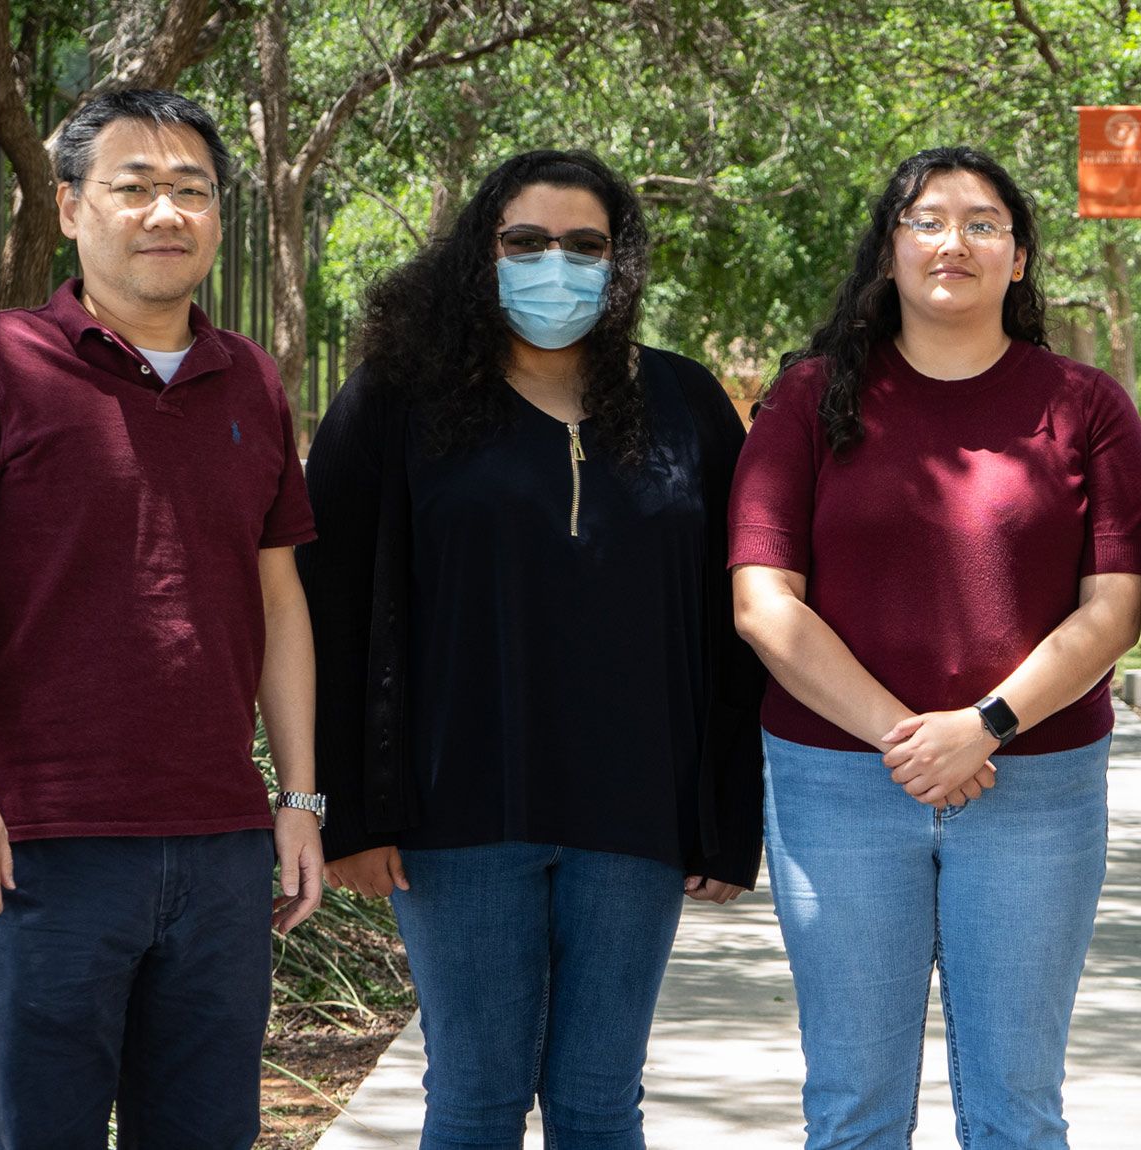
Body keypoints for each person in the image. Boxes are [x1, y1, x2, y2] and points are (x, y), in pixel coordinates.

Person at [297, 148, 765, 1149]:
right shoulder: (395, 400)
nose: (556, 264)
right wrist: (349, 810)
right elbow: (326, 608)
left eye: (583, 245)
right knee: (474, 1094)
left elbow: (739, 627)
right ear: (481, 254)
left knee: (600, 1099)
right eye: (526, 242)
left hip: (634, 821)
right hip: (450, 820)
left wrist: (727, 817)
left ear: (620, 261)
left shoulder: (687, 407)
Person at [0, 88, 323, 1147]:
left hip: (219, 848)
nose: (165, 212)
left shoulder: (251, 380)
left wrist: (300, 794)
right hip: (45, 844)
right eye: (134, 188)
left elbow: (277, 594)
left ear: (218, 218)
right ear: (74, 208)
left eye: (191, 191)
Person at [730, 146, 1141, 1150]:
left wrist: (985, 726)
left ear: (1018, 259)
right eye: (925, 219)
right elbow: (762, 602)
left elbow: (1112, 611)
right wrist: (907, 738)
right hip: (835, 781)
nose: (951, 240)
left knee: (1017, 1110)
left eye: (981, 223)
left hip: (1034, 786)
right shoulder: (806, 398)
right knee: (852, 1107)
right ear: (888, 251)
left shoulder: (1084, 406)